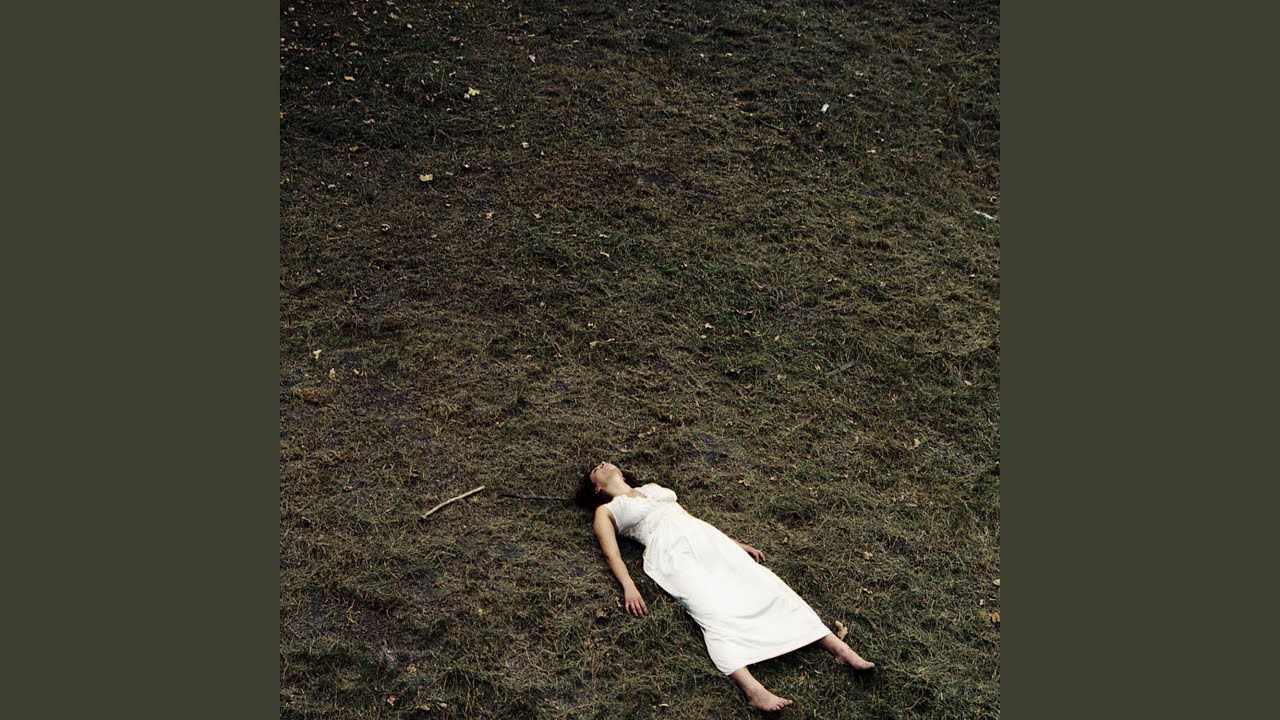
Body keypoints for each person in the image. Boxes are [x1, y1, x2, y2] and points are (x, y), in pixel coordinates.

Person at [576, 460, 875, 712]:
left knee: (767, 584)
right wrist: (628, 585)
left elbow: (689, 518)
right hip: (670, 553)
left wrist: (735, 543)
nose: (603, 463)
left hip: (707, 539)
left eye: (605, 461)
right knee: (710, 609)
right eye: (595, 469)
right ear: (597, 489)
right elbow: (612, 554)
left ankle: (840, 649)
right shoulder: (607, 511)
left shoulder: (653, 488)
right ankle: (753, 690)